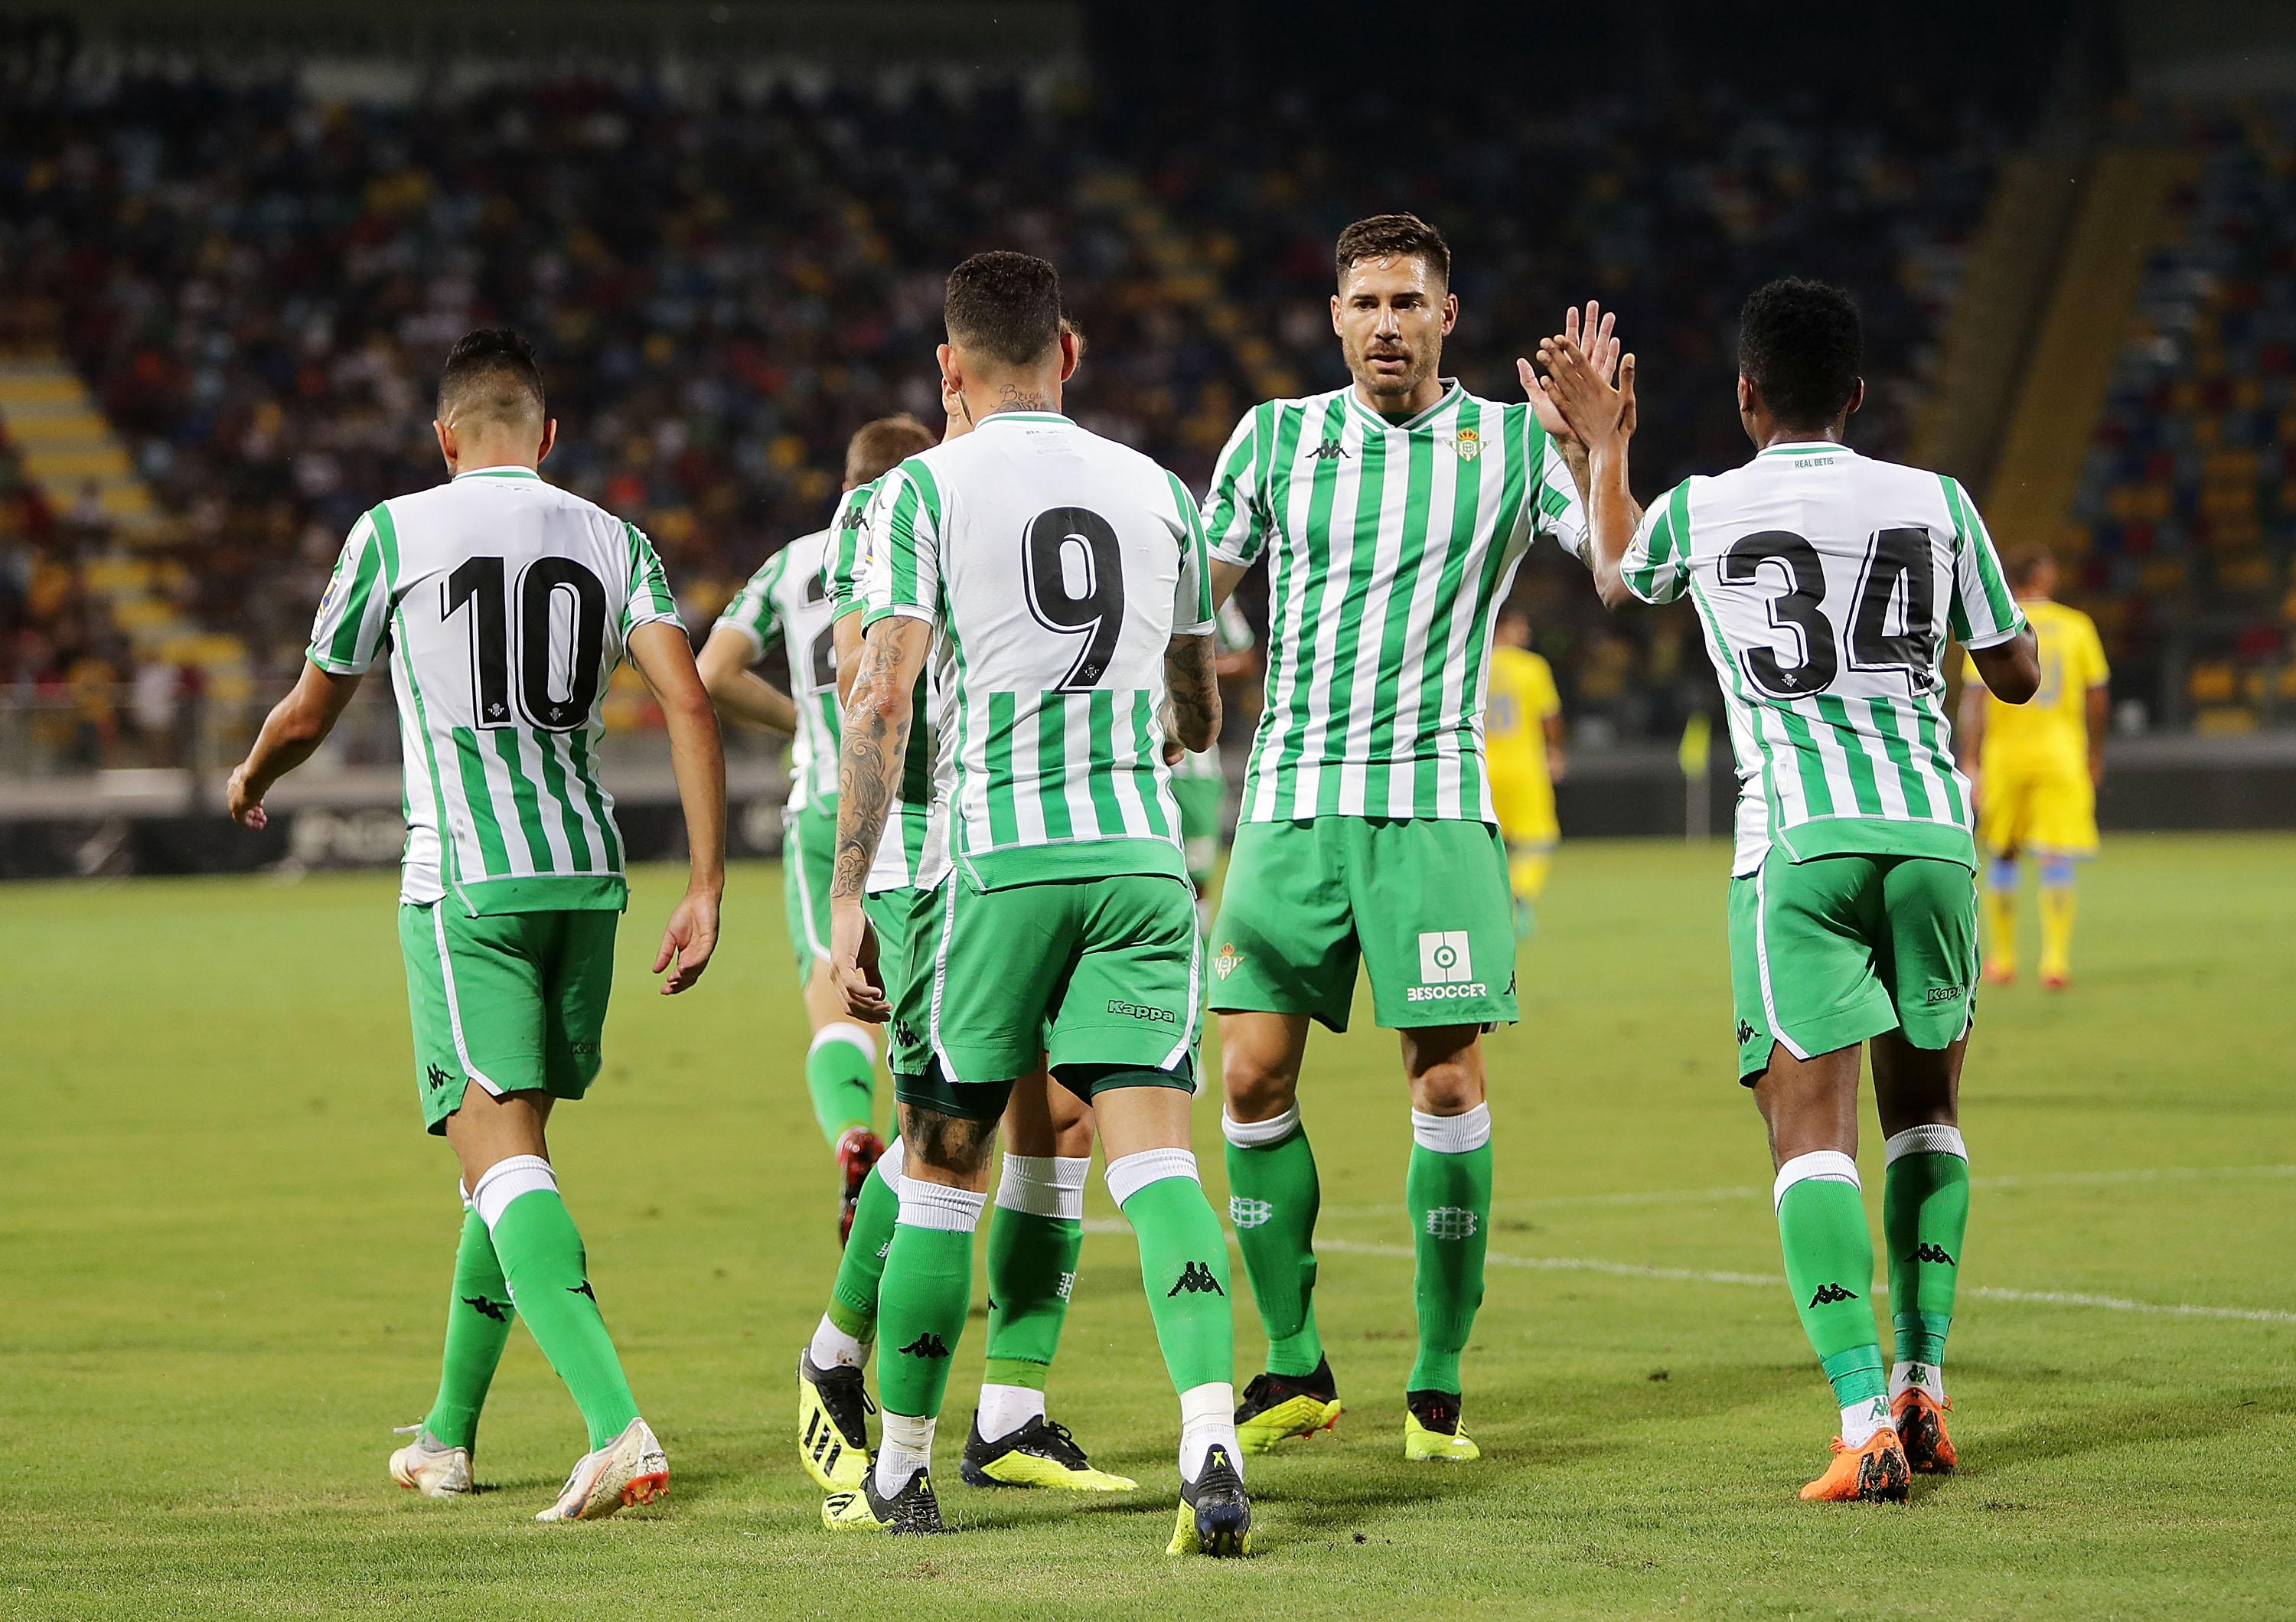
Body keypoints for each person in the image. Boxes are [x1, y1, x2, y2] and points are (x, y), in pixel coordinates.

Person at [1538, 277, 2039, 1502]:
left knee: (1807, 1132)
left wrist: (1606, 445)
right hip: (1931, 834)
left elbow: (1614, 573)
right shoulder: (1938, 501)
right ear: (1860, 397)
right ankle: (1926, 1388)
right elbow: (2017, 672)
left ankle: (1863, 1418)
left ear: (1748, 394)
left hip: (1799, 846)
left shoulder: (1709, 508)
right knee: (1926, 1116)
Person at [225, 328, 728, 1522]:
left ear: (444, 437)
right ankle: (447, 1434)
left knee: (500, 1161)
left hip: (469, 887)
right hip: (586, 880)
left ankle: (617, 1427)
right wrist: (707, 885)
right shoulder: (615, 538)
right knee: (506, 1163)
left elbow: (310, 706)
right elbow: (690, 698)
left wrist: (252, 775)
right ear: (549, 438)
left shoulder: (395, 529)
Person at [824, 251, 1246, 1554]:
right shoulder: (1156, 488)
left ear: (949, 369)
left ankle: (900, 1464)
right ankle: (1210, 1433)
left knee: (946, 1160)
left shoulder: (914, 491)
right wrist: (1155, 729)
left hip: (994, 867)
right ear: (1070, 349)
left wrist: (849, 894)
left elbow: (883, 694)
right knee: (1161, 1156)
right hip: (1137, 859)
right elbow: (1197, 701)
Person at [1198, 214, 1603, 1462]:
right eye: (1364, 302)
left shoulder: (1513, 445)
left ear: (1448, 314)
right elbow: (1194, 594)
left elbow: (1617, 566)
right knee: (1251, 1076)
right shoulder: (1274, 438)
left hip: (1432, 802)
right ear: (1333, 315)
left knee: (1446, 1079)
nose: (1385, 323)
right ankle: (1295, 1359)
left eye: (1407, 303)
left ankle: (1435, 1378)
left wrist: (1605, 451)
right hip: (1286, 806)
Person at [797, 354, 1134, 1500]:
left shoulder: (1017, 489)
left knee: (1067, 1121)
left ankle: (1012, 1410)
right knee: (953, 1135)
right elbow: (867, 677)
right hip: (935, 853)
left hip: (1028, 850)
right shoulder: (910, 497)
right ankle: (842, 1353)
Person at [698, 415, 938, 1239]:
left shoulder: (793, 561)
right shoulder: (938, 522)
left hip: (829, 803)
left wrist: (800, 727)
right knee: (932, 1015)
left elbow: (711, 671)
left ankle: (851, 1136)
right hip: (923, 797)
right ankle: (931, 1188)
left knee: (833, 997)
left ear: (844, 483)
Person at [1954, 545, 2109, 990]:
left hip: (2005, 757)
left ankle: (2002, 960)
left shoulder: (1994, 625)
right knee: (2055, 855)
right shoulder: (2078, 626)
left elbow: (1975, 700)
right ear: (2041, 577)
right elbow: (2098, 695)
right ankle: (2055, 962)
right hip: (2061, 754)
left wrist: (1970, 759)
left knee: (2002, 852)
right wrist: (2095, 753)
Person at [1168, 599, 1260, 934]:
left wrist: (1185, 668)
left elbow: (1246, 658)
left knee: (1198, 877)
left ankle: (1194, 970)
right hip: (1127, 758)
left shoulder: (1203, 583)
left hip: (1195, 766)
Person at [1484, 603, 1567, 938]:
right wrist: (1556, 751)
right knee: (1539, 839)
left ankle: (1487, 902)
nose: (1527, 632)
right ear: (1507, 627)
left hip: (1481, 766)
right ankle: (1519, 891)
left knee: (1489, 842)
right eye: (1521, 625)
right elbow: (1550, 716)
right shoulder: (1532, 667)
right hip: (1524, 767)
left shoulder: (1472, 664)